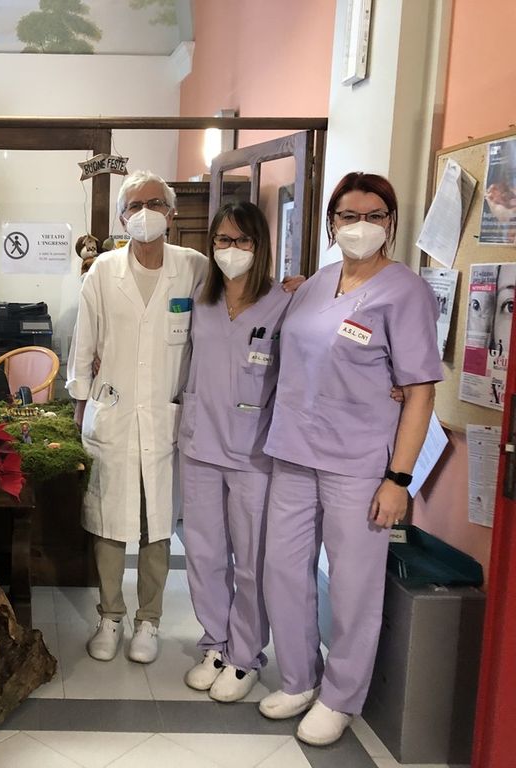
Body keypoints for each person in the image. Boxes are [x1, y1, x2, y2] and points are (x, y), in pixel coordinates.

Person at [260, 172, 441, 746]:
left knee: (353, 585)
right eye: (348, 216)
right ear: (331, 222)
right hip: (293, 451)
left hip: (360, 463)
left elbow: (420, 392)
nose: (360, 226)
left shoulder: (405, 292)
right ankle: (298, 678)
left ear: (391, 222)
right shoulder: (316, 284)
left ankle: (340, 696)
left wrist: (398, 479)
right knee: (282, 569)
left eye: (374, 216)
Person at [67, 169, 208, 664]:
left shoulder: (193, 267)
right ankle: (110, 615)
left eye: (154, 203)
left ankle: (149, 620)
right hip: (114, 411)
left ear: (171, 212)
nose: (145, 213)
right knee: (109, 519)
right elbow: (84, 341)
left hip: (165, 415)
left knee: (156, 523)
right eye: (134, 206)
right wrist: (80, 402)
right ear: (122, 218)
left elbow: (237, 306)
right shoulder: (104, 271)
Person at [177, 201, 292, 702]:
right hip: (200, 443)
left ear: (260, 245)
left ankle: (245, 656)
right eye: (223, 240)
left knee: (250, 560)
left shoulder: (284, 303)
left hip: (253, 451)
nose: (232, 249)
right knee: (203, 553)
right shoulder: (201, 300)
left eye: (243, 240)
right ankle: (215, 644)